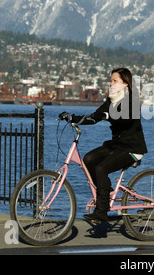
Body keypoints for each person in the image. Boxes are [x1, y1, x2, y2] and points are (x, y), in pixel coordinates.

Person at [59, 68, 147, 223]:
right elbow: (94, 117)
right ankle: (106, 192)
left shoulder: (132, 101)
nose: (111, 83)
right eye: (110, 80)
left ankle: (101, 212)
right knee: (89, 159)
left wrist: (110, 115)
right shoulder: (111, 100)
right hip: (117, 145)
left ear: (125, 83)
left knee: (101, 168)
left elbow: (126, 120)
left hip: (132, 148)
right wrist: (72, 118)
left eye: (115, 80)